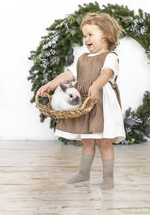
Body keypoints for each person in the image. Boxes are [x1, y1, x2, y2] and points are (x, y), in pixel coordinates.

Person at [37, 12, 126, 190]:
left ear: (106, 35)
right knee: (87, 140)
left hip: (101, 104)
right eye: (84, 35)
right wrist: (51, 84)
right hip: (85, 104)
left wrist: (96, 86)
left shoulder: (111, 56)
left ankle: (108, 176)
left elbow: (107, 73)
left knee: (104, 141)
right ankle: (83, 173)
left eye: (90, 35)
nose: (86, 39)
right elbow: (68, 75)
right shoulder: (82, 58)